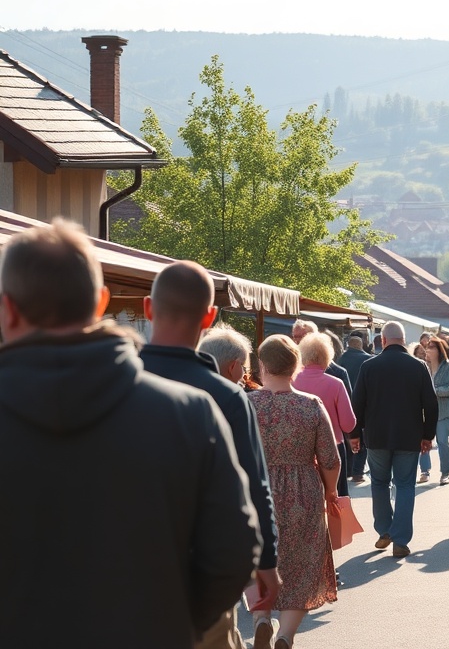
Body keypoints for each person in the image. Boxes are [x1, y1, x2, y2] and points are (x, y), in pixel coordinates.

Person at [0, 219, 259, 647]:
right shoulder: (189, 414)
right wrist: (175, 624)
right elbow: (232, 551)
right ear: (100, 302)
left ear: (7, 309)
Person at [140, 262, 281, 649]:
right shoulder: (228, 396)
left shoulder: (118, 381)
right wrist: (266, 562)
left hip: (122, 569)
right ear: (209, 316)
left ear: (149, 308)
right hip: (199, 573)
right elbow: (254, 485)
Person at [248, 335, 341, 649]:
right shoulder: (310, 405)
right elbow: (330, 459)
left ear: (262, 365)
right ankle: (285, 636)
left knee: (257, 558)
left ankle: (261, 619)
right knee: (302, 566)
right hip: (303, 494)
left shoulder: (247, 404)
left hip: (256, 490)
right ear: (296, 366)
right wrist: (330, 492)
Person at [350, 321, 438, 558]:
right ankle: (400, 540)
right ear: (404, 340)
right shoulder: (419, 366)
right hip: (409, 437)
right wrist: (428, 435)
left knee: (379, 483)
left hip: (376, 436)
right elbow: (431, 404)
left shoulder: (369, 366)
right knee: (405, 485)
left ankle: (384, 530)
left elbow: (357, 403)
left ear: (383, 340)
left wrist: (354, 434)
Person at [294, 332, 357, 496]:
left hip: (300, 449)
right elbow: (348, 424)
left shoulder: (292, 381)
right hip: (333, 448)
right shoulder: (336, 384)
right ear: (327, 355)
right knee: (336, 496)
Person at [418, 335, 449, 485]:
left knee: (442, 441)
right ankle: (425, 471)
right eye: (427, 347)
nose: (428, 350)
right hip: (426, 411)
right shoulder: (423, 366)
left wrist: (436, 391)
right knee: (423, 441)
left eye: (432, 347)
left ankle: (445, 472)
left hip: (444, 411)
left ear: (439, 350)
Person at [337, 332, 373, 484]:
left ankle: (348, 470)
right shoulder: (368, 359)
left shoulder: (340, 359)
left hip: (343, 402)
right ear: (361, 345)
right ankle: (358, 472)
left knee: (346, 437)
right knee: (361, 437)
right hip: (363, 404)